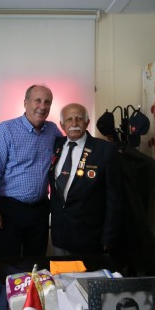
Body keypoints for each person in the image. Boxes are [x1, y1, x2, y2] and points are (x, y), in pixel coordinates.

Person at [0, 84, 62, 258]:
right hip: (10, 210)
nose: (42, 106)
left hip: (40, 210)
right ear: (25, 103)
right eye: (37, 100)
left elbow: (68, 152)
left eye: (47, 102)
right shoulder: (6, 130)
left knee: (36, 262)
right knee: (8, 263)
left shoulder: (53, 131)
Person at [49, 103, 122, 255]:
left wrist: (109, 236)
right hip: (60, 234)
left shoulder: (105, 150)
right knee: (60, 271)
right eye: (69, 119)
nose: (74, 123)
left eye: (79, 118)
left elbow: (114, 199)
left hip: (90, 237)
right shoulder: (55, 145)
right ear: (62, 124)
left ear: (87, 122)